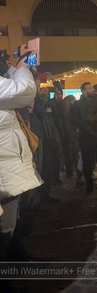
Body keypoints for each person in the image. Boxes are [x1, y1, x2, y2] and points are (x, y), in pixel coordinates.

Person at [0, 62, 43, 265]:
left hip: (7, 167)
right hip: (3, 170)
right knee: (5, 226)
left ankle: (17, 260)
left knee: (12, 220)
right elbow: (25, 91)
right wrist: (20, 69)